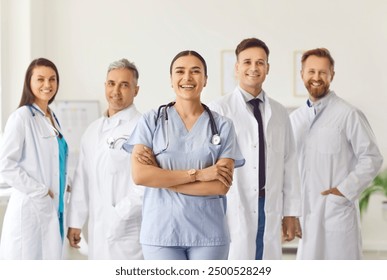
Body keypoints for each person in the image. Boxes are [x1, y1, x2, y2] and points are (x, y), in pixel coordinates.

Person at [123, 50, 245, 260]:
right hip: (161, 234)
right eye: (180, 71)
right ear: (171, 79)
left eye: (195, 71)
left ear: (205, 80)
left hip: (209, 235)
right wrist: (198, 175)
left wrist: (161, 178)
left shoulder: (223, 126)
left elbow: (220, 186)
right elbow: (141, 176)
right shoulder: (151, 121)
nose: (187, 78)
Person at [209, 38, 301, 260]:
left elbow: (289, 163)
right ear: (237, 67)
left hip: (268, 204)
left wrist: (290, 212)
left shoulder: (279, 113)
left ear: (267, 68)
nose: (254, 67)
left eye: (260, 62)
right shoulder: (218, 109)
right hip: (233, 204)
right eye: (247, 61)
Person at [290, 48, 383, 260]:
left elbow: (372, 157)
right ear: (302, 74)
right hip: (307, 214)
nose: (316, 77)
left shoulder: (348, 114)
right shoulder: (294, 119)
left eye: (323, 72)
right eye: (311, 71)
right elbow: (289, 167)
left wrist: (343, 191)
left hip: (336, 213)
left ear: (332, 75)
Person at [66, 58, 144, 260]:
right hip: (97, 229)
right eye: (111, 83)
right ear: (105, 86)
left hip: (129, 228)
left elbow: (147, 183)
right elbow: (82, 178)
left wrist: (119, 213)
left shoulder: (143, 127)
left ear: (136, 90)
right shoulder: (92, 131)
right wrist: (75, 220)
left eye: (124, 85)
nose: (116, 91)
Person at [0, 58, 68, 259]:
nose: (47, 85)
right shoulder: (21, 117)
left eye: (52, 79)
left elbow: (56, 161)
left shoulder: (52, 117)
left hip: (52, 209)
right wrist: (40, 191)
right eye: (40, 79)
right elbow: (6, 165)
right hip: (31, 209)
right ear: (29, 82)